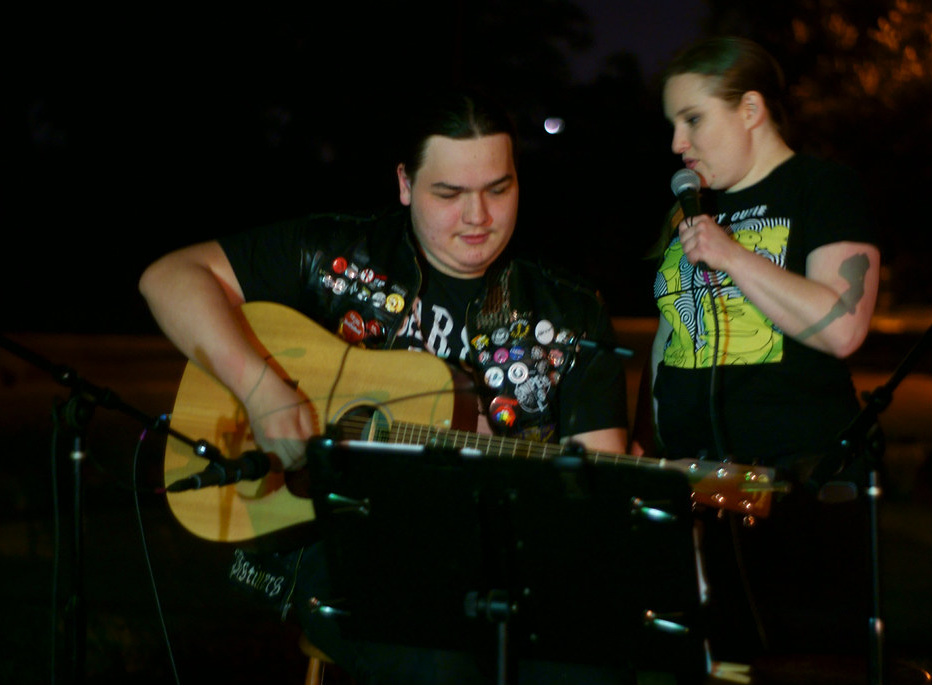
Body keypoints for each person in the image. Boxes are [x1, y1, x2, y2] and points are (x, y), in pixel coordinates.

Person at [140, 89, 633, 683]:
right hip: (331, 545)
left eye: (498, 190)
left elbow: (596, 489)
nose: (477, 217)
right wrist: (261, 388)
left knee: (598, 666)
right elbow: (168, 278)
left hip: (504, 561)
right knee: (441, 657)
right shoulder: (335, 253)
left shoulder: (572, 313)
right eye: (449, 194)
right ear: (405, 184)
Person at [632, 37, 881, 671]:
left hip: (792, 487)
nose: (677, 143)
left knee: (798, 667)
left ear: (750, 109)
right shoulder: (690, 214)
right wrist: (648, 444)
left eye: (692, 119)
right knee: (716, 665)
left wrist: (733, 255)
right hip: (694, 482)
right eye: (672, 124)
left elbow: (844, 328)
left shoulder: (822, 188)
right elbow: (672, 336)